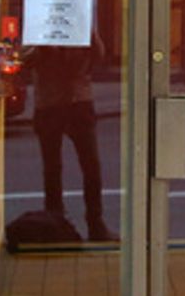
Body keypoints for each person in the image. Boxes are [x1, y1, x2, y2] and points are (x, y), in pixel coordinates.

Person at [26, 36, 117, 242]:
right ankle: (57, 220)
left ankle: (93, 222)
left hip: (74, 101)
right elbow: (26, 58)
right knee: (54, 168)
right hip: (54, 102)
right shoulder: (42, 26)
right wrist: (45, 47)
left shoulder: (77, 22)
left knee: (89, 166)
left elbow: (99, 53)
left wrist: (88, 38)